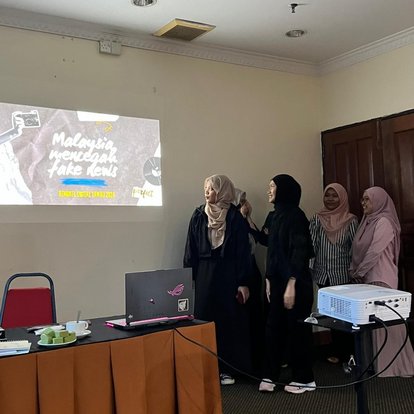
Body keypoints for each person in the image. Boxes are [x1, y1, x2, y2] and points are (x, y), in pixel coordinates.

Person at [247, 174, 315, 394]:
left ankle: (305, 379)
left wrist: (292, 283)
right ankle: (270, 375)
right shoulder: (273, 216)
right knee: (272, 329)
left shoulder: (297, 217)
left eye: (272, 187)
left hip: (295, 285)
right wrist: (268, 279)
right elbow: (268, 243)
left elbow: (300, 252)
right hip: (275, 284)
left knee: (297, 330)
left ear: (284, 190)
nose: (268, 191)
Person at [183, 175, 252, 385]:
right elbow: (191, 247)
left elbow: (243, 251)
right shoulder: (198, 215)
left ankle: (227, 369)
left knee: (228, 321)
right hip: (204, 273)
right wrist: (188, 277)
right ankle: (205, 367)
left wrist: (243, 281)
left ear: (222, 191)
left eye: (212, 189)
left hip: (228, 273)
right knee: (204, 318)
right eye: (205, 188)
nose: (207, 192)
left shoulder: (234, 217)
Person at [350, 186, 414, 377]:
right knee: (372, 323)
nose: (363, 203)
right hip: (367, 279)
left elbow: (375, 252)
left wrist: (359, 271)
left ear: (379, 201)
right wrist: (357, 272)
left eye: (367, 199)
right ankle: (377, 364)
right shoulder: (367, 221)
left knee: (388, 323)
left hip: (381, 278)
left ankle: (396, 366)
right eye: (362, 199)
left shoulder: (384, 222)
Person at [309, 183, 359, 364]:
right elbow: (312, 246)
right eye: (327, 195)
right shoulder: (317, 219)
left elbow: (356, 248)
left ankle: (350, 353)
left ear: (342, 198)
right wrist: (309, 269)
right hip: (323, 274)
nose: (330, 199)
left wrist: (356, 272)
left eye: (334, 196)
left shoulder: (351, 220)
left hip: (343, 276)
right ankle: (337, 351)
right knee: (330, 316)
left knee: (346, 316)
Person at [234, 188, 265, 375]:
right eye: (240, 202)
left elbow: (258, 239)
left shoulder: (244, 221)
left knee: (255, 315)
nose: (245, 205)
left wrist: (248, 217)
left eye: (245, 201)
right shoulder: (231, 222)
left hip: (252, 272)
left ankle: (256, 361)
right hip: (239, 275)